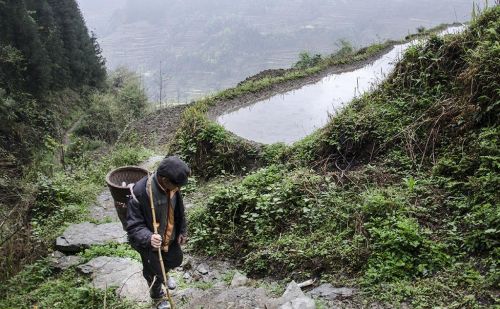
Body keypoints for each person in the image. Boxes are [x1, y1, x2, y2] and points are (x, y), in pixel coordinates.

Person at [126, 156, 190, 309]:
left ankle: (164, 275)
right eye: (176, 185)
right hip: (149, 243)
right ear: (164, 179)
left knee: (175, 259)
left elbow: (179, 211)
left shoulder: (173, 188)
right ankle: (157, 296)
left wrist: (182, 230)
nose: (178, 189)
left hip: (169, 238)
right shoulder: (141, 192)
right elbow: (134, 225)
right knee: (153, 272)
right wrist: (148, 237)